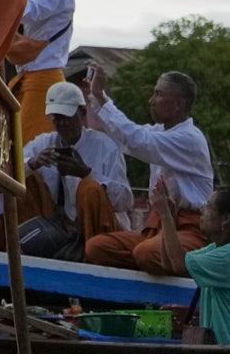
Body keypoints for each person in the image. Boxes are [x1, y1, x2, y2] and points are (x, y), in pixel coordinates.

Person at [82, 68, 214, 274]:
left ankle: (171, 263)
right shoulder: (160, 132)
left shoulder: (190, 138)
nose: (151, 101)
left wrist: (100, 96)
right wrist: (98, 97)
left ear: (178, 104)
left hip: (189, 229)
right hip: (158, 226)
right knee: (96, 247)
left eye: (158, 94)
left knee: (146, 253)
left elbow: (137, 141)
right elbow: (125, 138)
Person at [17, 77, 130, 259]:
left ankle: (94, 255)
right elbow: (9, 173)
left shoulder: (105, 146)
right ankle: (24, 249)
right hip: (55, 226)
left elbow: (125, 201)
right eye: (57, 118)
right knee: (25, 178)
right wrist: (33, 163)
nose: (63, 123)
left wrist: (86, 173)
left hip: (97, 231)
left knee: (90, 189)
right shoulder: (43, 143)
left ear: (82, 113)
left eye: (68, 117)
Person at [168, 184, 230, 347]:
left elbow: (178, 263)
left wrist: (165, 216)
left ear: (225, 218)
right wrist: (168, 218)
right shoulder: (216, 248)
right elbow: (170, 263)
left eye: (208, 207)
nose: (202, 211)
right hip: (217, 353)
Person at [5, 0, 76, 147]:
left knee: (28, 146)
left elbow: (25, 11)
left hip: (42, 80)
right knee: (20, 143)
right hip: (35, 78)